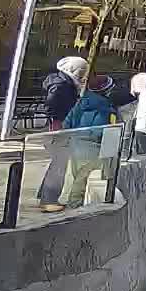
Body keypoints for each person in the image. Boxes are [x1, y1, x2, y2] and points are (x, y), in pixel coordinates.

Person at [53, 75, 120, 210]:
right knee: (83, 178)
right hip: (94, 147)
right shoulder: (107, 109)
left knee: (73, 176)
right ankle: (75, 206)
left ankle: (67, 202)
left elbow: (66, 124)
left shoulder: (80, 103)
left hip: (75, 144)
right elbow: (110, 133)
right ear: (106, 90)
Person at [37, 57, 88, 208]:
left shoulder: (63, 83)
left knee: (58, 163)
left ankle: (46, 195)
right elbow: (53, 106)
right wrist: (59, 123)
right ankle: (49, 200)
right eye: (81, 71)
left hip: (61, 127)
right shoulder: (62, 86)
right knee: (60, 164)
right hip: (60, 129)